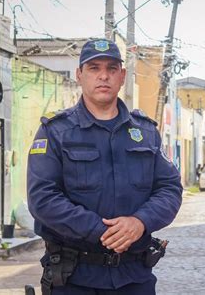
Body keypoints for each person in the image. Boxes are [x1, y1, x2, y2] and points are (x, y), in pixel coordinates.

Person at [27, 39, 183, 295]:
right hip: (74, 278)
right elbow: (42, 198)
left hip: (135, 277)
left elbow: (169, 188)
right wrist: (102, 231)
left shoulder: (145, 132)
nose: (103, 76)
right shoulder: (55, 131)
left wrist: (139, 222)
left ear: (122, 76)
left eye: (112, 68)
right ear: (79, 75)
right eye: (94, 68)